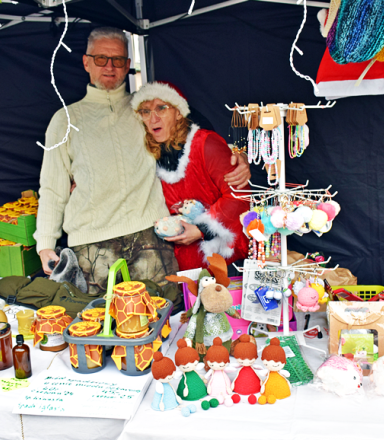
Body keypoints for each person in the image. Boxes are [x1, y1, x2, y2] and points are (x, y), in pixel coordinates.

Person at [34, 27, 250, 295]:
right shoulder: (64, 120)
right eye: (101, 58)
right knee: (99, 318)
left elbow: (192, 135)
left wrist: (237, 156)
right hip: (92, 244)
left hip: (150, 238)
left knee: (164, 313)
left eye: (118, 60)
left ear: (128, 66)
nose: (110, 66)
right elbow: (52, 188)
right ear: (86, 62)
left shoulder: (143, 110)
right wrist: (45, 244)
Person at [131, 81, 250, 270]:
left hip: (223, 259)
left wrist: (201, 229)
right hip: (181, 264)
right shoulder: (146, 153)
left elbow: (239, 197)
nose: (153, 119)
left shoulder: (206, 144)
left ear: (178, 112)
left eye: (161, 108)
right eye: (146, 111)